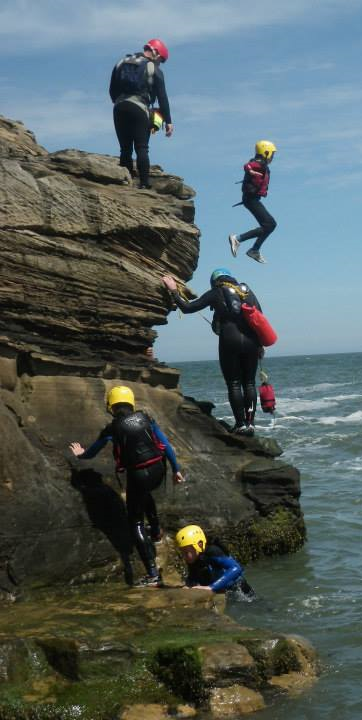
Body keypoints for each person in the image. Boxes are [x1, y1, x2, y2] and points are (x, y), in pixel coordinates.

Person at [69, 385, 185, 586]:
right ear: (131, 403)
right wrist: (176, 470)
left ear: (111, 407)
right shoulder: (146, 418)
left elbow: (93, 451)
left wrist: (81, 454)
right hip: (158, 470)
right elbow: (165, 445)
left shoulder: (112, 428)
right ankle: (156, 532)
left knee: (136, 523)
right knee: (143, 493)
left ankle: (152, 574)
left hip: (138, 475)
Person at [161, 269, 263, 435]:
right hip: (252, 341)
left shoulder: (216, 292)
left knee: (234, 384)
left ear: (215, 282)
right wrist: (260, 346)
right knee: (250, 383)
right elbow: (259, 317)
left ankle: (240, 424)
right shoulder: (246, 290)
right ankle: (250, 424)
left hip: (229, 340)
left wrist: (173, 290)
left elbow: (187, 307)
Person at [109, 38, 173, 189]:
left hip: (119, 108)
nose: (160, 63)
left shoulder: (121, 62)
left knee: (125, 149)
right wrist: (168, 121)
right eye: (161, 60)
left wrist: (121, 101)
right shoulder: (152, 68)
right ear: (156, 53)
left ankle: (125, 183)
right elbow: (162, 97)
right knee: (142, 147)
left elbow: (112, 91)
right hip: (139, 108)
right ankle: (144, 185)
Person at [228, 140, 277, 264]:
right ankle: (239, 239)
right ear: (266, 153)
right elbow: (248, 165)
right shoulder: (258, 163)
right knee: (270, 224)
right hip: (250, 200)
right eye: (272, 154)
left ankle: (253, 249)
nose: (273, 157)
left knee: (269, 225)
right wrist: (250, 170)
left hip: (252, 200)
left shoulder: (262, 165)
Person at [175, 525, 254, 597]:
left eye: (186, 553)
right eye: (182, 553)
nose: (184, 556)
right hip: (224, 591)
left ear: (199, 545)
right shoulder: (193, 558)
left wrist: (211, 587)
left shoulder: (213, 551)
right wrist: (188, 585)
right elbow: (193, 576)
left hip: (240, 591)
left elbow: (236, 568)